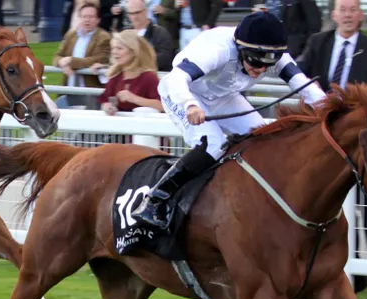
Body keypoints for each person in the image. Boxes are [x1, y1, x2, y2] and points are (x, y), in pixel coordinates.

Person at [131, 11, 326, 229]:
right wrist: (190, 104)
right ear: (241, 49)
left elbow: (303, 86)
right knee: (213, 144)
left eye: (266, 65)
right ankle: (154, 200)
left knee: (265, 136)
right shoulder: (218, 51)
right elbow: (178, 77)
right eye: (255, 62)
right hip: (184, 93)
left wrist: (332, 108)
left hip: (224, 96)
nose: (260, 70)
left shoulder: (272, 52)